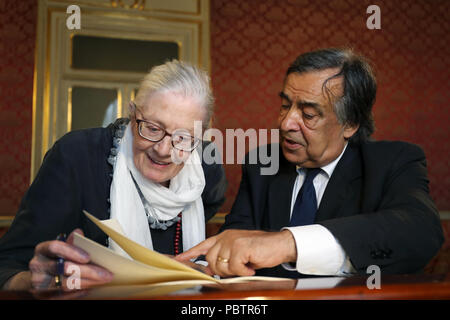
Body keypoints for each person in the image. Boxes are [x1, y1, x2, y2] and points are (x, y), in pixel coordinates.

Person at [176, 48, 444, 278]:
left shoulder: (393, 162)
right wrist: (205, 267)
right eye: (284, 106)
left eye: (308, 113)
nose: (286, 123)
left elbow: (421, 232)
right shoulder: (261, 164)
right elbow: (236, 237)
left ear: (350, 123)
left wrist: (291, 243)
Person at [0, 60, 227, 289]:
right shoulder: (76, 156)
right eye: (152, 128)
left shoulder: (206, 172)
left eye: (183, 137)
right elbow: (6, 268)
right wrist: (36, 281)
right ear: (132, 113)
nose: (163, 150)